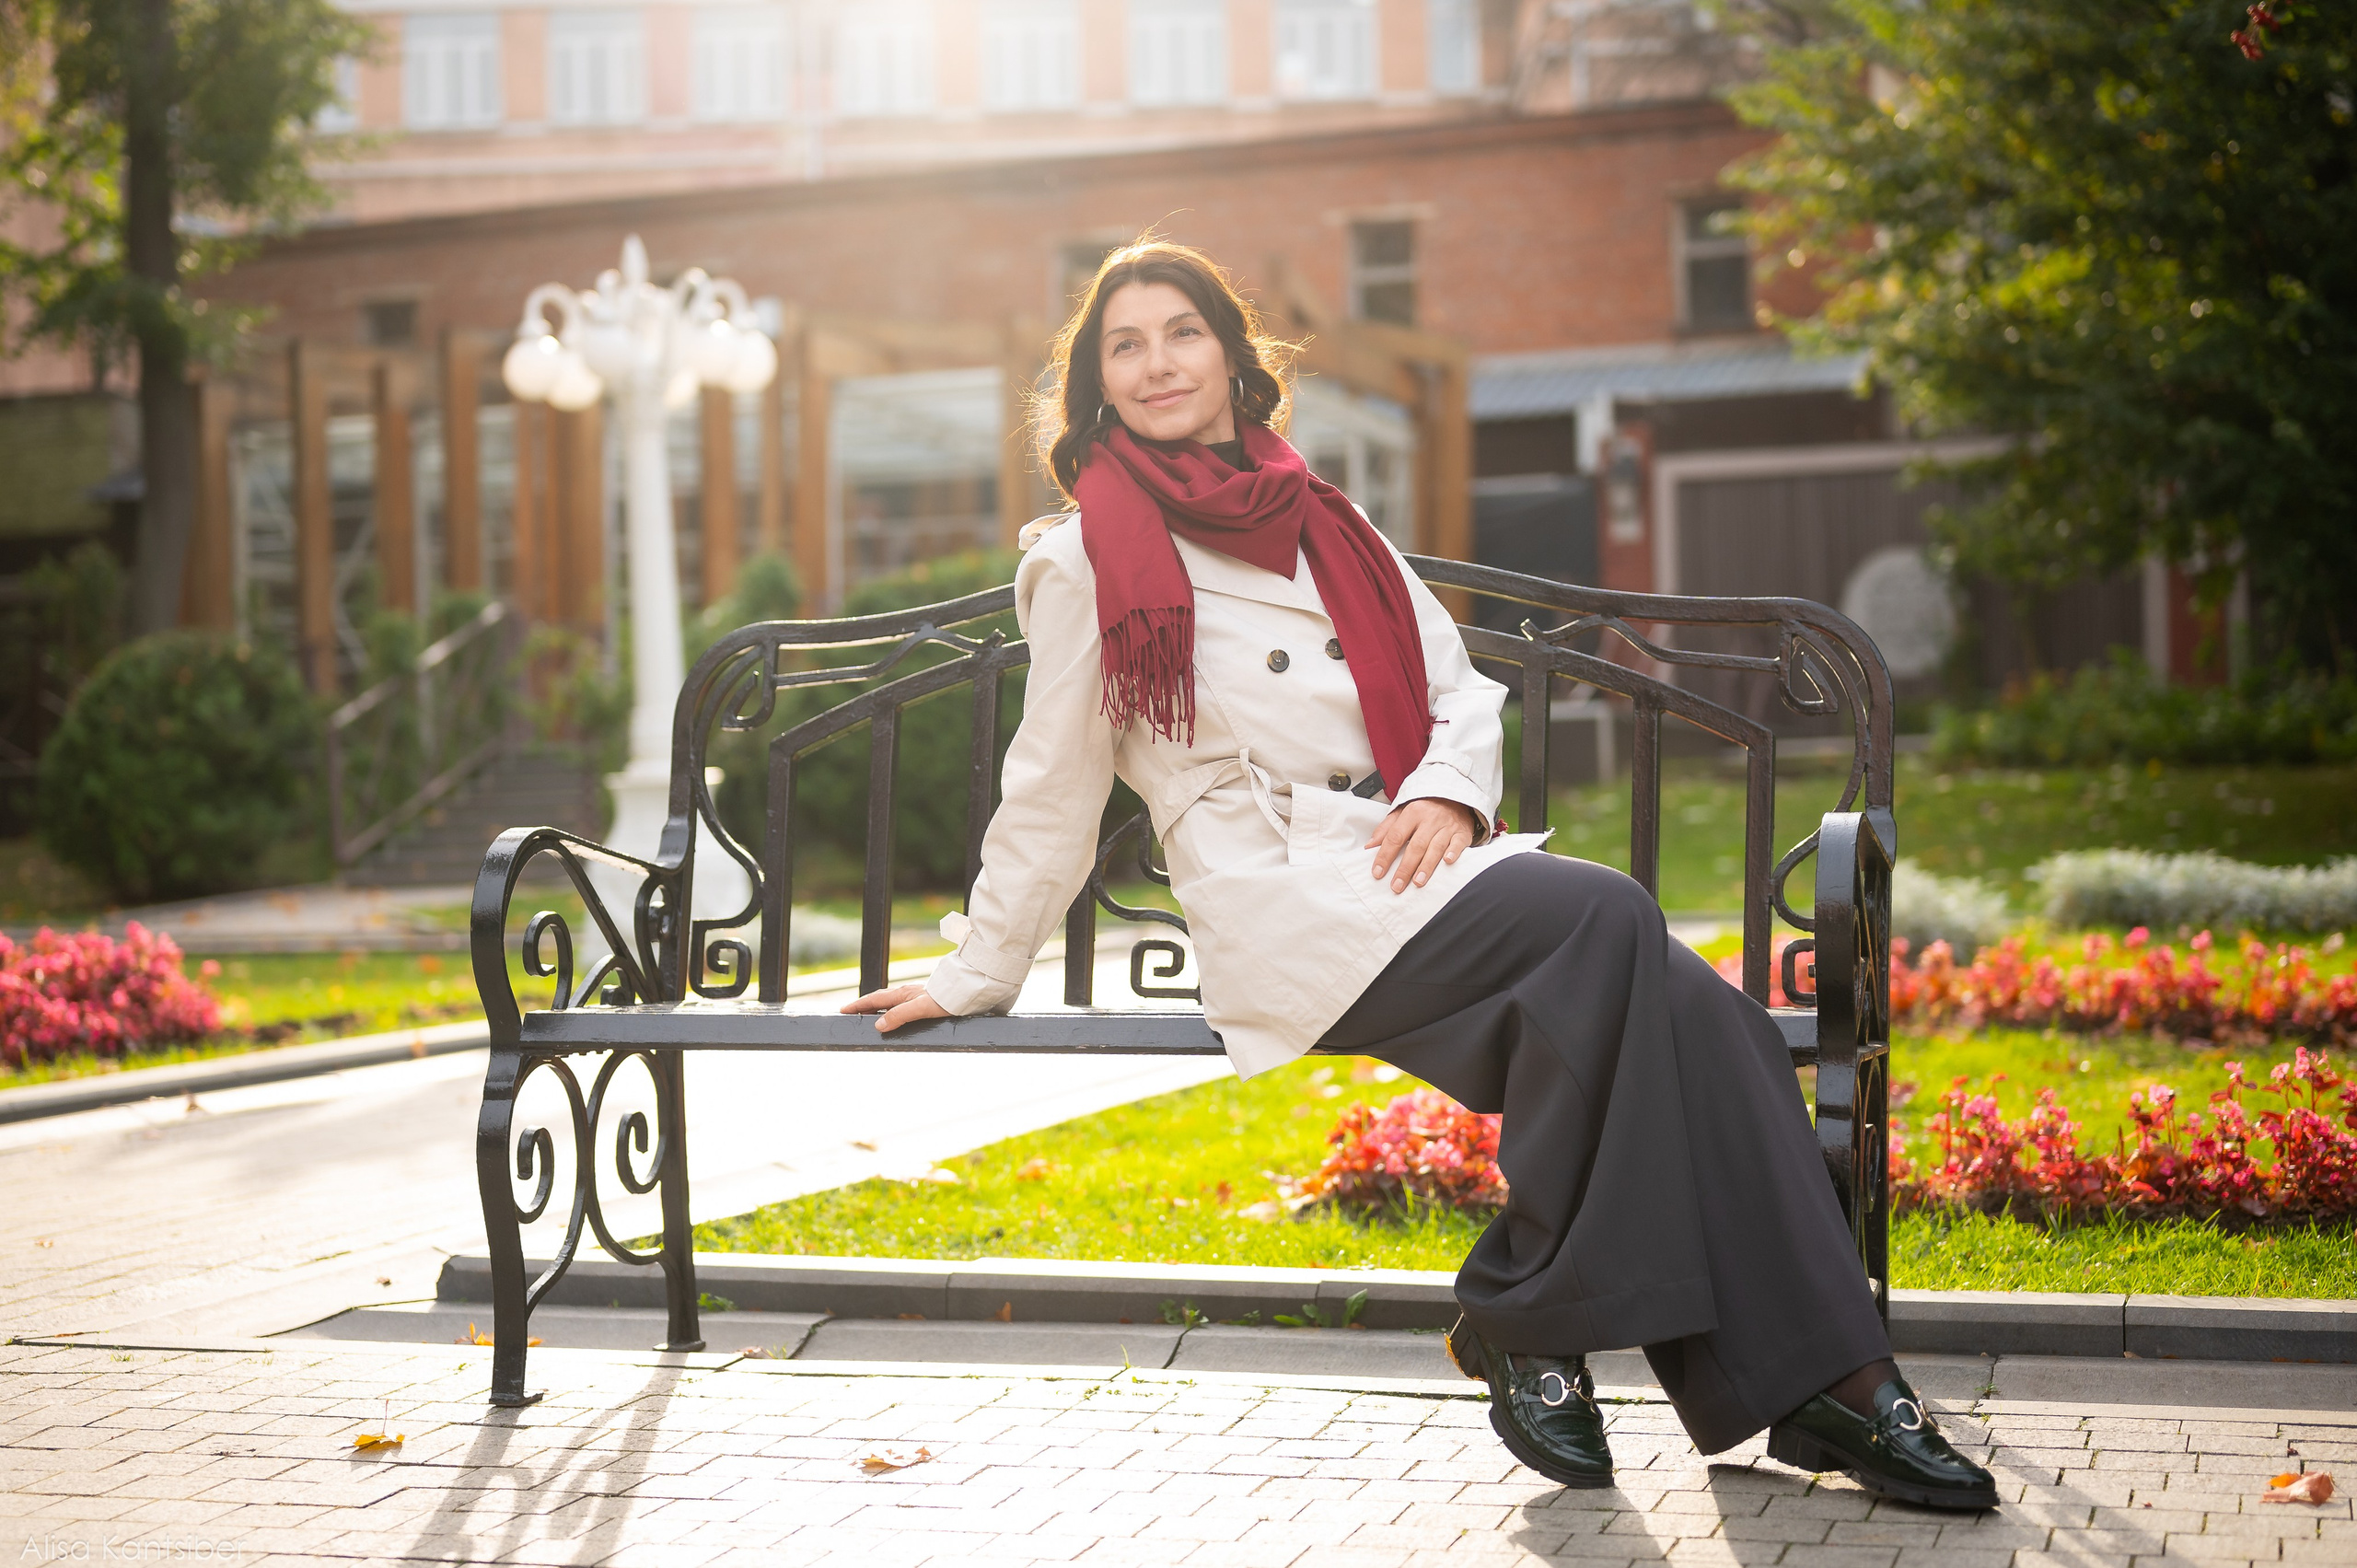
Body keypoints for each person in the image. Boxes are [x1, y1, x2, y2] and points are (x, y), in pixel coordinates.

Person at [844, 239, 1995, 1509]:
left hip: (1407, 857)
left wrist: (1447, 789)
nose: (1157, 360)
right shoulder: (1082, 560)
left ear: (1234, 358)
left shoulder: (1321, 516)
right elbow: (1051, 778)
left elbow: (1454, 687)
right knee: (1607, 917)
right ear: (1097, 386)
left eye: (1182, 332)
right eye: (1125, 344)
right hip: (1284, 890)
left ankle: (1834, 1385)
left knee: (1704, 1018)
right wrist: (978, 965)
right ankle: (1540, 1312)